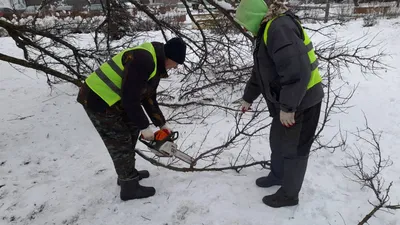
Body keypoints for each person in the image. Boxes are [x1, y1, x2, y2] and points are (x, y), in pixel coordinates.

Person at [234, 0, 324, 207]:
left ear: (253, 16)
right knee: (278, 140)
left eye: (244, 21)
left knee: (294, 148)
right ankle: (278, 174)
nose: (243, 27)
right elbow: (261, 71)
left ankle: (289, 195)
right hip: (288, 100)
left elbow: (297, 71)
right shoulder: (267, 29)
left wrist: (288, 107)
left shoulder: (279, 29)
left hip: (303, 100)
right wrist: (249, 97)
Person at [76, 37, 187, 201]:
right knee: (120, 140)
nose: (175, 67)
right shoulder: (144, 61)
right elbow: (130, 99)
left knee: (132, 129)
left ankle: (127, 173)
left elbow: (148, 97)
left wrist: (162, 124)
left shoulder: (155, 62)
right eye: (176, 63)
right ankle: (129, 187)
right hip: (97, 99)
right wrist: (145, 126)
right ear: (169, 57)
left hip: (114, 100)